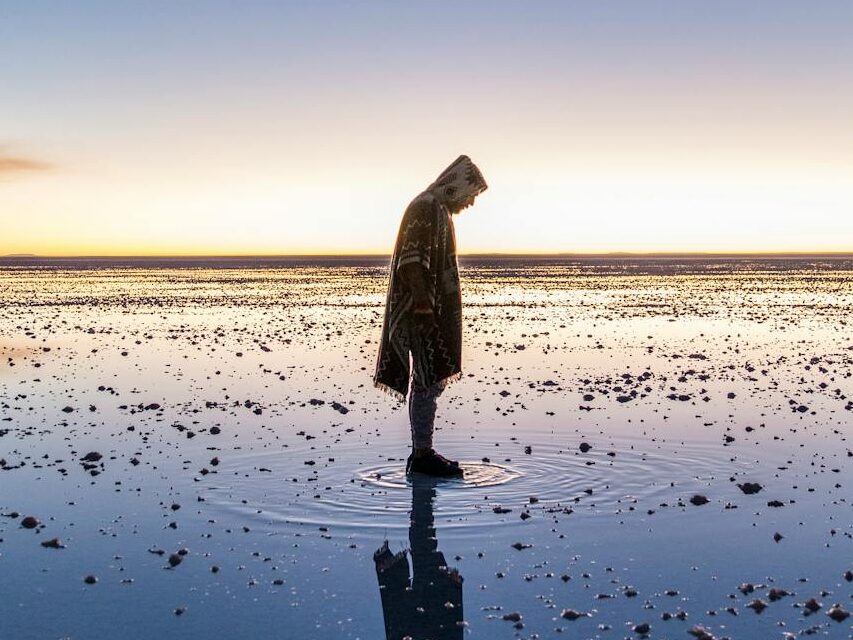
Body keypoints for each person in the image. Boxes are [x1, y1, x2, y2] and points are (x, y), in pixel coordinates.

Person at [374, 155, 487, 477]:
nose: (470, 203)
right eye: (471, 194)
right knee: (426, 379)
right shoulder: (425, 207)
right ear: (456, 186)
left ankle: (422, 452)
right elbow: (411, 262)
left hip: (427, 309)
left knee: (429, 380)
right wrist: (424, 308)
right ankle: (422, 455)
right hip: (419, 311)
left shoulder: (436, 209)